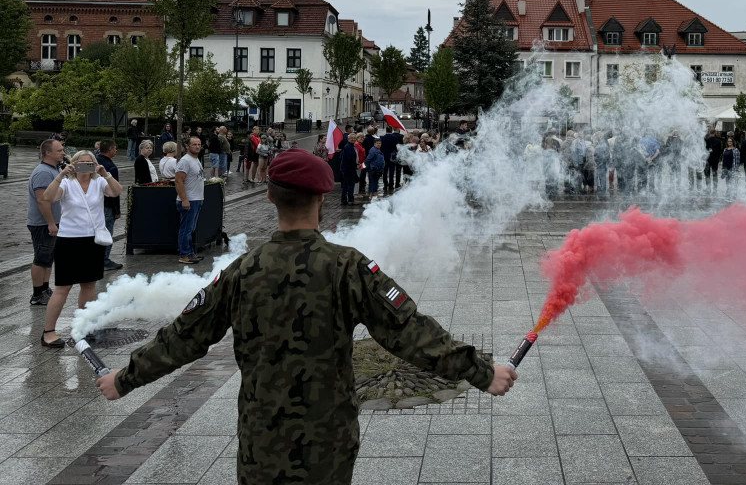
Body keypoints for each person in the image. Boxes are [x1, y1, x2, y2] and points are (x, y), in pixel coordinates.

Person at [96, 148, 516, 483]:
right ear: (322, 197)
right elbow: (410, 331)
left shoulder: (243, 271)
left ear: (269, 196)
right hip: (327, 443)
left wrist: (124, 378)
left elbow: (182, 337)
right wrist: (481, 372)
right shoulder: (348, 267)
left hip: (262, 442)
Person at [39, 150, 123, 347]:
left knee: (88, 285)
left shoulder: (99, 182)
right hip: (68, 240)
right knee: (63, 287)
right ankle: (48, 331)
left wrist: (105, 173)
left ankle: (84, 327)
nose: (85, 165)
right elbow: (48, 197)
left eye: (89, 162)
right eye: (81, 162)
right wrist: (61, 175)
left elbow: (116, 191)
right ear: (74, 164)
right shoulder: (67, 183)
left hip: (93, 240)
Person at [28, 139, 65, 306]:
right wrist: (51, 223)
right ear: (48, 153)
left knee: (48, 258)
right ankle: (37, 295)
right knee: (41, 258)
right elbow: (42, 200)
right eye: (59, 150)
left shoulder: (55, 169)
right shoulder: (43, 172)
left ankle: (44, 289)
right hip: (43, 224)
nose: (63, 153)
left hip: (52, 222)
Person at [174, 136, 206, 265]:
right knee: (186, 229)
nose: (197, 147)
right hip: (189, 200)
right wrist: (184, 199)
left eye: (199, 144)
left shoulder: (196, 159)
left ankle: (190, 252)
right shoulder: (185, 161)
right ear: (187, 146)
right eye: (194, 144)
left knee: (191, 228)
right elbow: (178, 181)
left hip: (197, 199)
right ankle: (184, 254)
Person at [95, 141, 124, 272]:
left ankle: (97, 259)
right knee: (106, 232)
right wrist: (116, 210)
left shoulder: (95, 162)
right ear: (110, 150)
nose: (116, 151)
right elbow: (114, 192)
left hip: (95, 204)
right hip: (107, 205)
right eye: (115, 148)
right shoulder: (110, 167)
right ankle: (104, 260)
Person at [380, 128, 404, 192]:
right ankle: (391, 184)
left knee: (385, 171)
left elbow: (381, 147)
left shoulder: (382, 138)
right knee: (391, 171)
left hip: (384, 156)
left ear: (386, 130)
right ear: (391, 130)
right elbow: (396, 147)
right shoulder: (394, 138)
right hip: (392, 156)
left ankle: (385, 185)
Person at [340, 134, 358, 206]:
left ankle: (344, 200)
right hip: (349, 169)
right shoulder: (348, 147)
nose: (353, 139)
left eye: (354, 138)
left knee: (346, 185)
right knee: (350, 185)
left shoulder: (350, 146)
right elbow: (350, 159)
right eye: (351, 138)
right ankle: (351, 200)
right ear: (348, 139)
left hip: (347, 168)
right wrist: (356, 165)